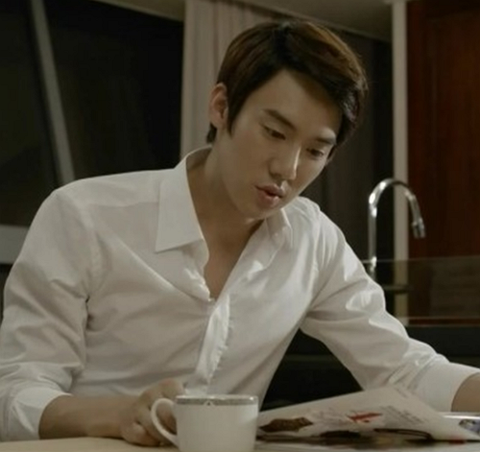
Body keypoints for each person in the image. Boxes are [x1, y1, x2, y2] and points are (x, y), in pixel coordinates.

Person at [0, 18, 479, 446]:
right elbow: (15, 392)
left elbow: (405, 369)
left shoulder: (312, 241)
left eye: (315, 151)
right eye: (274, 132)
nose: (287, 168)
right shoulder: (84, 216)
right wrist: (117, 416)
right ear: (221, 107)